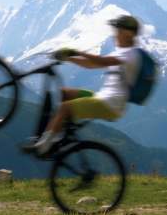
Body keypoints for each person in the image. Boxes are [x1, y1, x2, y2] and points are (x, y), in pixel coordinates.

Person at [22, 15, 142, 156]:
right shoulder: (121, 52)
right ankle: (60, 134)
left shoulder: (131, 54)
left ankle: (43, 146)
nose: (115, 34)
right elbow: (91, 65)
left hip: (110, 105)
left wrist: (76, 52)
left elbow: (101, 61)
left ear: (128, 33)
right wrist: (69, 58)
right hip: (101, 98)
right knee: (64, 93)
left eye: (118, 31)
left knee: (65, 108)